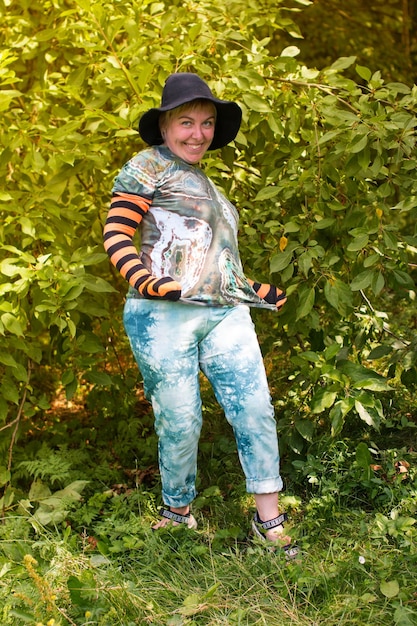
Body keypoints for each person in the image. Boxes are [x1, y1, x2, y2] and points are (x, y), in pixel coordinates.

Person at [103, 72, 298, 557]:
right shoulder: (146, 167)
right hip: (160, 315)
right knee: (181, 418)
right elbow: (116, 236)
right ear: (166, 125)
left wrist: (255, 290)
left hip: (224, 312)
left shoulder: (211, 187)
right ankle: (177, 511)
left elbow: (212, 263)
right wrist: (142, 277)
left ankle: (268, 517)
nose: (197, 134)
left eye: (207, 123)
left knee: (254, 408)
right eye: (186, 122)